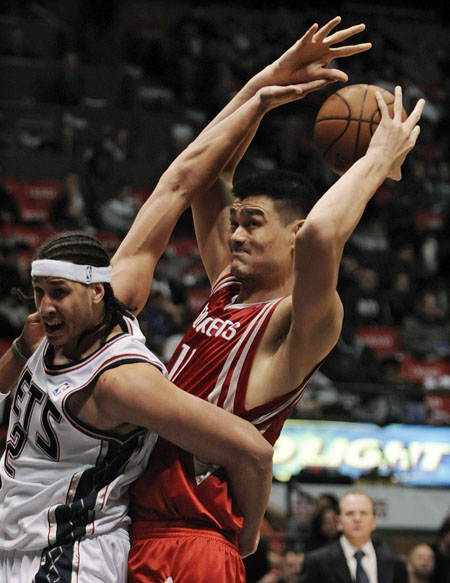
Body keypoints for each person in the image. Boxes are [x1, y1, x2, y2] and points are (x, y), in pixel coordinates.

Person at [114, 16, 424, 583]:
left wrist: (379, 158)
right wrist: (267, 84)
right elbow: (211, 172)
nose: (235, 236)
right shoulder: (226, 287)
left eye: (253, 224)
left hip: (197, 545)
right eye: (235, 223)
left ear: (292, 231)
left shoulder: (299, 326)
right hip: (131, 532)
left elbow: (322, 235)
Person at [0, 231, 273, 583]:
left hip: (70, 552)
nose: (45, 306)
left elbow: (254, 451)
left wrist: (249, 532)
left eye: (59, 292)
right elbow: (174, 189)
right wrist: (22, 349)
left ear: (96, 290)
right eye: (39, 292)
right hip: (19, 538)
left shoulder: (122, 381)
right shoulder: (51, 335)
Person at [298, 490, 409, 582]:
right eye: (350, 513)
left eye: (363, 513)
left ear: (374, 521)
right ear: (339, 522)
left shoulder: (396, 565)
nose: (357, 519)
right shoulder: (316, 562)